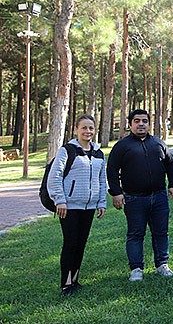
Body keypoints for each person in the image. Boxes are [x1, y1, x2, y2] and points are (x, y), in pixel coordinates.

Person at [107, 109, 173, 282]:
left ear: (149, 123)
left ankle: (162, 265)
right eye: (137, 121)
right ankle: (136, 269)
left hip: (159, 197)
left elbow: (171, 164)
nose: (141, 124)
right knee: (135, 234)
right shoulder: (122, 146)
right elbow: (111, 169)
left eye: (144, 121)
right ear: (130, 124)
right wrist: (117, 193)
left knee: (161, 232)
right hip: (134, 199)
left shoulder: (158, 143)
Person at [47, 114, 106, 296]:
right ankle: (66, 284)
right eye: (84, 127)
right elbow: (54, 177)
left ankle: (75, 280)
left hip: (88, 207)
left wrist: (101, 202)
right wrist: (60, 200)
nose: (87, 131)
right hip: (69, 207)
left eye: (91, 128)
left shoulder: (98, 153)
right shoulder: (67, 150)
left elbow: (101, 180)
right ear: (76, 129)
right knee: (70, 243)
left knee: (81, 244)